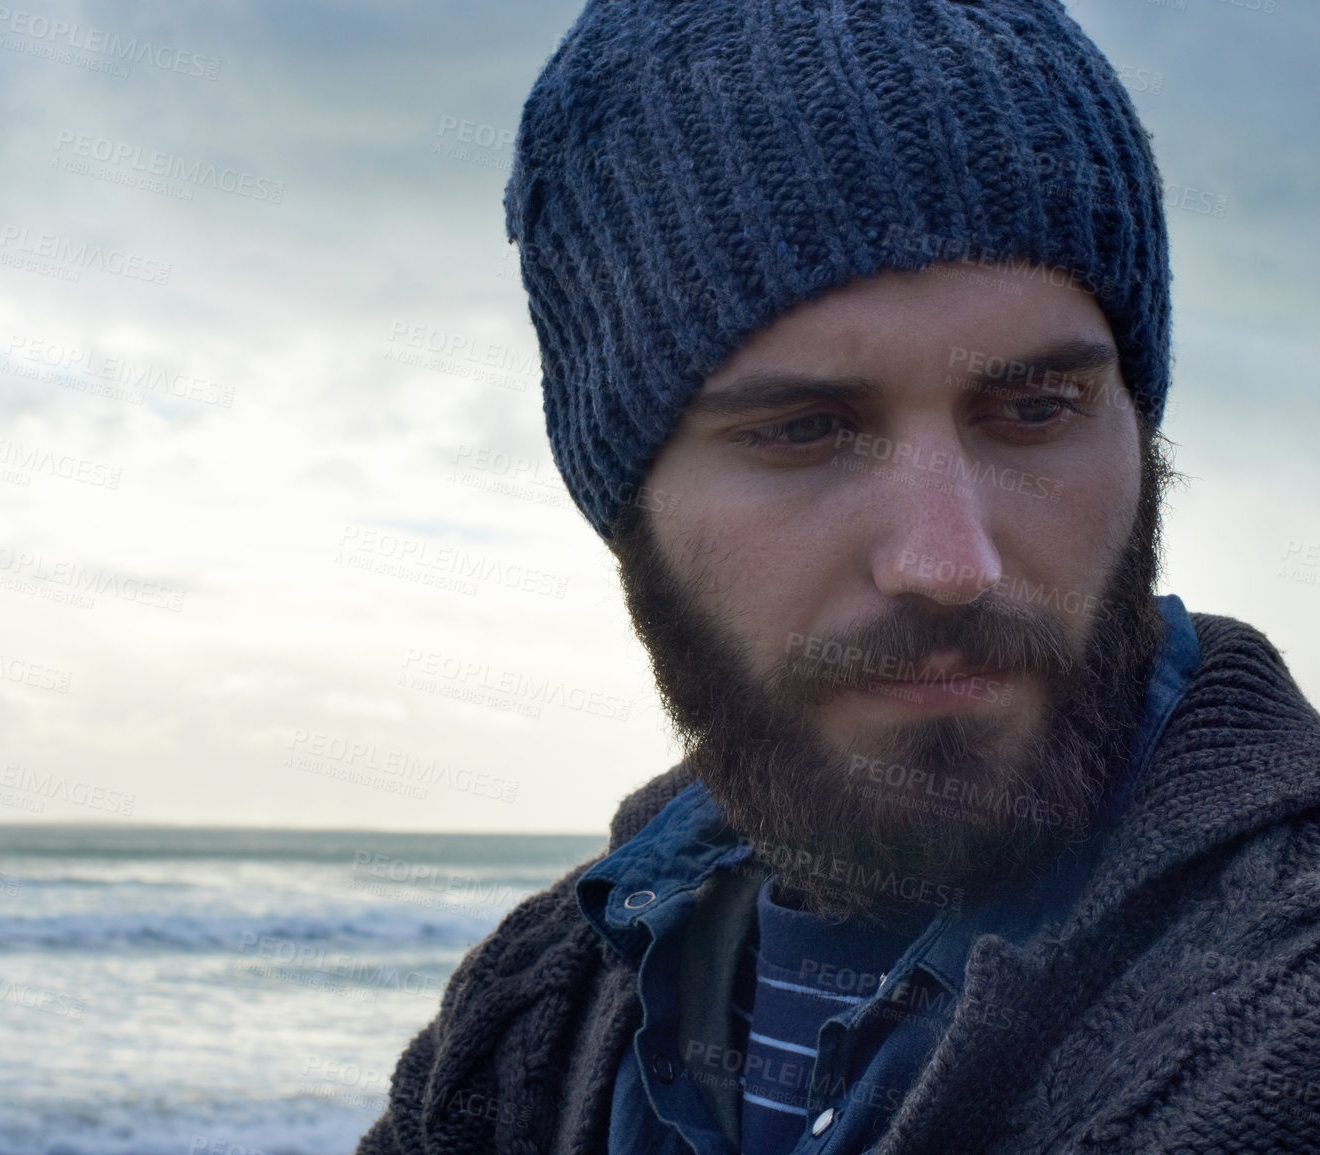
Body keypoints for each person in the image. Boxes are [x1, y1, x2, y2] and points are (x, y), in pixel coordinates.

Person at [358, 1, 1320, 1152]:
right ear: (627, 507)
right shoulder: (540, 1012)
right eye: (803, 431)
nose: (948, 563)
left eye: (1031, 411)